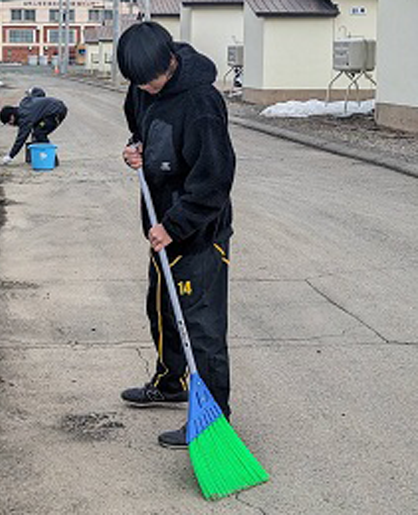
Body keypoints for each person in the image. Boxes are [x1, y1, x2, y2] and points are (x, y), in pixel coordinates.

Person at [117, 22, 236, 449]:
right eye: (137, 84)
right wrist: (136, 148)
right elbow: (141, 125)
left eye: (150, 82)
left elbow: (214, 183)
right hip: (160, 224)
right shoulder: (142, 87)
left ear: (169, 62)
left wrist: (175, 226)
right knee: (163, 310)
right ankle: (171, 382)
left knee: (201, 328)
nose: (144, 90)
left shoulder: (202, 104)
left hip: (199, 233)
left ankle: (213, 419)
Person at [0, 90, 67, 165]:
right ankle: (36, 157)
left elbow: (21, 138)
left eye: (9, 123)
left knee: (39, 132)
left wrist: (10, 156)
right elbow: (40, 93)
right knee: (36, 130)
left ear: (12, 117)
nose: (11, 125)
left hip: (56, 112)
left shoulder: (25, 118)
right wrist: (33, 90)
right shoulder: (24, 102)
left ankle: (52, 160)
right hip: (55, 107)